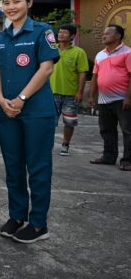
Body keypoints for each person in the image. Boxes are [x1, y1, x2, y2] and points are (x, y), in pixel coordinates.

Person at [0, 0, 59, 244]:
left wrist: (21, 99)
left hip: (36, 111)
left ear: (29, 3)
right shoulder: (2, 37)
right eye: (6, 2)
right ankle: (16, 216)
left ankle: (39, 223)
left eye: (16, 1)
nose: (11, 7)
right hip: (7, 112)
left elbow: (46, 69)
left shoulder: (42, 31)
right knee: (13, 166)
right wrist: (0, 98)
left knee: (38, 167)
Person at [88, 24, 131, 171]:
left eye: (107, 33)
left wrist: (128, 97)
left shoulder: (128, 52)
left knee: (127, 130)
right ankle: (109, 156)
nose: (104, 35)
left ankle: (127, 160)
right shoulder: (100, 55)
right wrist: (92, 96)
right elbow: (95, 76)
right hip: (104, 99)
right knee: (106, 129)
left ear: (118, 36)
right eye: (103, 33)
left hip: (122, 99)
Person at [50, 24, 89, 156]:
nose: (60, 34)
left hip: (71, 94)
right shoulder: (52, 49)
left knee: (69, 122)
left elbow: (82, 73)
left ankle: (65, 145)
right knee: (49, 121)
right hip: (51, 93)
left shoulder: (79, 52)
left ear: (72, 36)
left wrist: (80, 92)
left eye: (64, 32)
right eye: (60, 32)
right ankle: (47, 144)